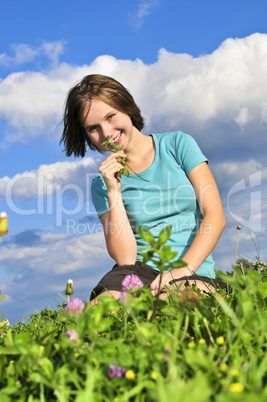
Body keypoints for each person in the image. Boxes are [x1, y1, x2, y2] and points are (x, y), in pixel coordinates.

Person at [60, 74, 227, 304]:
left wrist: (182, 271)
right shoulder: (101, 183)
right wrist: (113, 190)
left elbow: (215, 217)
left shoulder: (178, 145)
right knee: (102, 308)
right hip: (136, 274)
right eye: (93, 128)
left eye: (111, 117)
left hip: (191, 270)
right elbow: (125, 258)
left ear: (126, 107)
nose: (106, 133)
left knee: (177, 297)